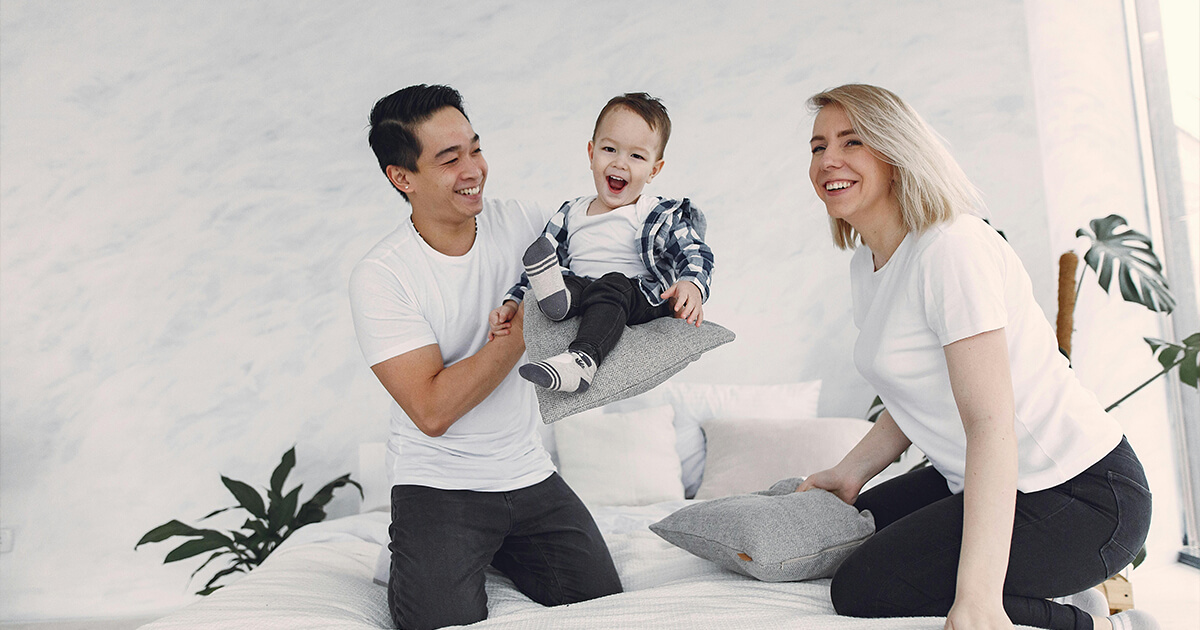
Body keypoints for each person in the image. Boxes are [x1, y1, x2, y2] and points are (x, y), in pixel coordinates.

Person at [798, 84, 1156, 630]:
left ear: (895, 155)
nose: (829, 161)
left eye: (853, 142)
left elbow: (992, 426)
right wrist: (851, 473)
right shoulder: (870, 263)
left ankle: (1093, 623)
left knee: (863, 588)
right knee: (851, 531)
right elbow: (921, 387)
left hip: (1082, 497)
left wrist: (980, 596)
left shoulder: (950, 249)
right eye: (818, 146)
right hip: (977, 478)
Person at [349, 84, 622, 630]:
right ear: (402, 178)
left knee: (602, 606)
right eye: (449, 159)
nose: (473, 168)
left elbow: (614, 246)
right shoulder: (383, 276)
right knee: (441, 622)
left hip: (527, 472)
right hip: (437, 484)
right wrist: (524, 330)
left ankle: (493, 547)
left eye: (475, 148)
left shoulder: (526, 223)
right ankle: (412, 552)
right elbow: (431, 410)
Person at [488, 92, 714, 393]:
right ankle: (561, 302)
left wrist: (691, 283)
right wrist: (512, 301)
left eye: (636, 156)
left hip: (639, 297)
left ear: (654, 170)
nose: (620, 163)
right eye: (610, 149)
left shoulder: (654, 213)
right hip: (587, 290)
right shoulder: (571, 212)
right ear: (592, 153)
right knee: (565, 282)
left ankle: (581, 362)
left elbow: (694, 251)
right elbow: (540, 266)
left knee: (613, 284)